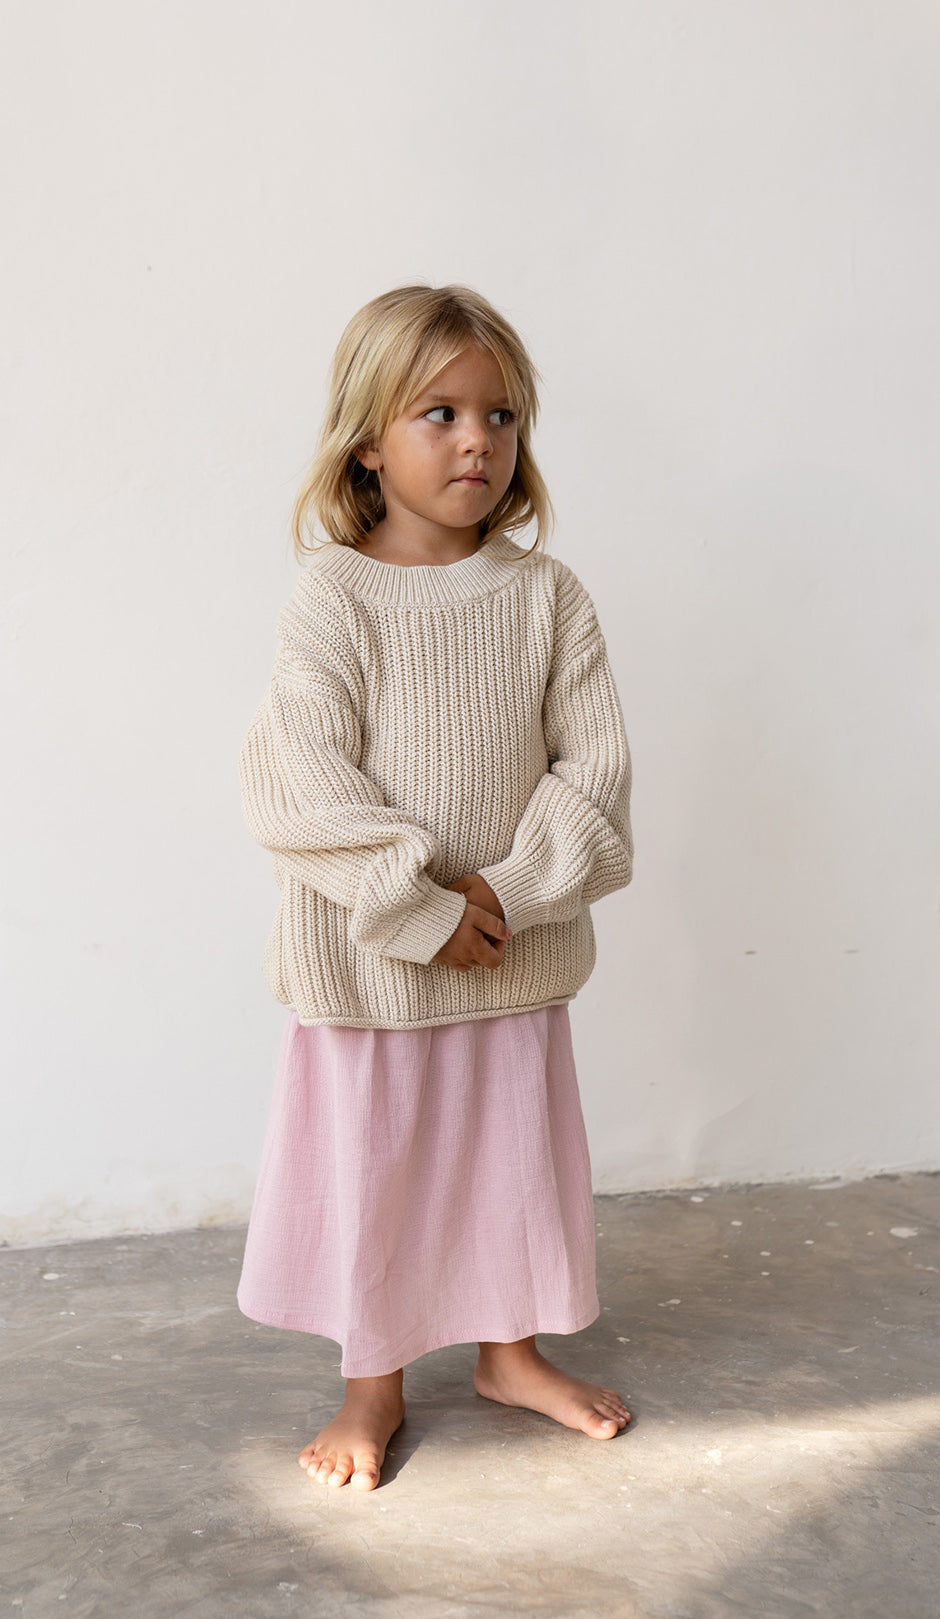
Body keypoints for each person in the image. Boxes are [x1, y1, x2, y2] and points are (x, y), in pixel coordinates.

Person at [236, 282, 634, 1492]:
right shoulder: (333, 599)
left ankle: (509, 1353)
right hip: (371, 969)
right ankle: (371, 1386)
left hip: (507, 954)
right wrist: (417, 906)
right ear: (366, 437)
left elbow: (595, 769)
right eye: (440, 413)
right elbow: (295, 780)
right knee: (382, 1166)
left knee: (506, 1157)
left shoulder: (544, 596)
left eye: (501, 415)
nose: (478, 440)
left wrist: (502, 899)